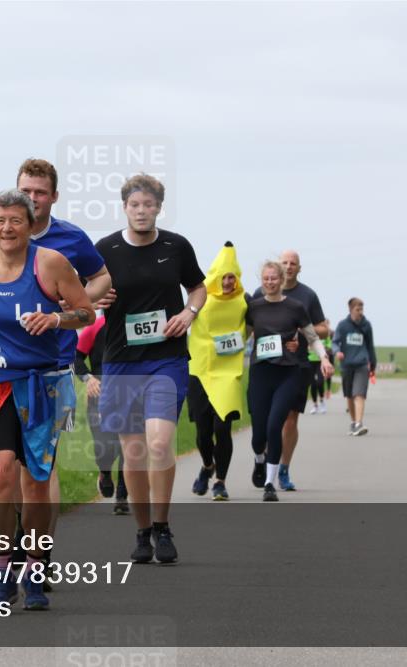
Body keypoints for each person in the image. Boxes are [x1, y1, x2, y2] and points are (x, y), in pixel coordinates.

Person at [0, 158, 113, 579]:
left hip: (51, 368)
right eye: (2, 219)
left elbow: (97, 290)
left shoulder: (63, 247)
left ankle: (39, 559)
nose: (8, 227)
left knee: (39, 472)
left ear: (48, 201)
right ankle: (6, 565)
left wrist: (59, 310)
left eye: (38, 195)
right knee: (2, 470)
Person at [95, 173, 206, 563]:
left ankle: (162, 526)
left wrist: (189, 313)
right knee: (135, 450)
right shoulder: (105, 248)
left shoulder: (176, 246)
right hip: (122, 361)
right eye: (134, 205)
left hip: (166, 358)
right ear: (124, 208)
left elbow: (198, 287)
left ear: (159, 207)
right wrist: (97, 298)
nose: (142, 211)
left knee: (160, 442)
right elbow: (82, 291)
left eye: (149, 205)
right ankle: (141, 532)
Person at [246, 261, 333, 501]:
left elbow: (313, 337)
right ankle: (259, 458)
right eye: (266, 278)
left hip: (288, 373)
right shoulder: (254, 307)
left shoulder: (295, 307)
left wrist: (324, 358)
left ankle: (269, 484)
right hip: (261, 373)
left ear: (281, 279)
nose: (270, 282)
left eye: (274, 278)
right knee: (259, 434)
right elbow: (243, 336)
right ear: (261, 280)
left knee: (276, 425)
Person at [187, 242, 247, 502]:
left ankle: (220, 481)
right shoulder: (202, 298)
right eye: (224, 277)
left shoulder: (245, 302)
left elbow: (262, 324)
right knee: (202, 432)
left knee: (222, 429)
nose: (227, 281)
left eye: (232, 276)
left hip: (228, 373)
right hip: (199, 370)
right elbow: (181, 319)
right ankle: (207, 465)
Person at [74, 314, 129, 515]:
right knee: (105, 445)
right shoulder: (95, 327)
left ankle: (122, 496)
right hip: (100, 394)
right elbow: (76, 357)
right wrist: (88, 379)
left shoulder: (132, 326)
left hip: (129, 393)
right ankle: (105, 472)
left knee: (128, 446)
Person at [332, 298, 377, 436]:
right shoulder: (343, 325)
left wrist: (373, 364)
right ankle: (353, 422)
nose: (360, 312)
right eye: (358, 309)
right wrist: (337, 352)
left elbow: (370, 346)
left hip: (362, 365)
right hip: (346, 365)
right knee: (349, 396)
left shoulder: (366, 325)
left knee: (359, 394)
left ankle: (359, 423)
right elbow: (335, 342)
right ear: (350, 309)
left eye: (362, 309)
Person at [307, 321, 332, 415]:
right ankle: (315, 405)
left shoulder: (325, 334)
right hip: (310, 360)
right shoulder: (309, 333)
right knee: (313, 384)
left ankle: (321, 401)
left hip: (320, 361)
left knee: (320, 382)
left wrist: (324, 349)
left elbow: (329, 345)